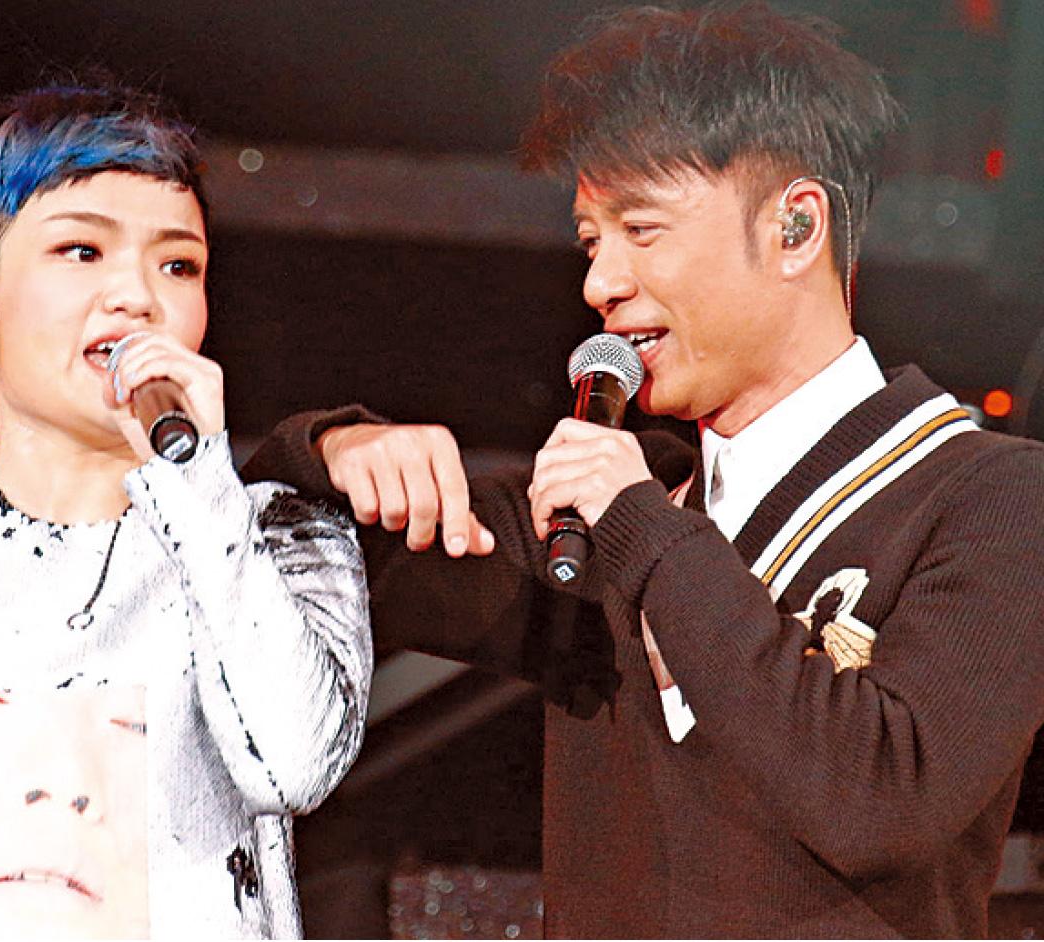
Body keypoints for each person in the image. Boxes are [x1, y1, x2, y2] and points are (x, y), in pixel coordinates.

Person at [241, 2, 1044, 937]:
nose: (600, 283)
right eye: (592, 240)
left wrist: (646, 532)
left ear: (796, 227)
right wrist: (336, 451)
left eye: (643, 230)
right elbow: (280, 561)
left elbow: (885, 797)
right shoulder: (607, 516)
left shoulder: (991, 497)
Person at [0, 84, 371, 939]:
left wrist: (198, 481)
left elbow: (293, 768)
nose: (136, 296)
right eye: (82, 251)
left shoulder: (274, 539)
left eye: (177, 265)